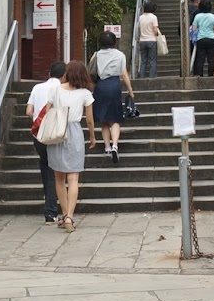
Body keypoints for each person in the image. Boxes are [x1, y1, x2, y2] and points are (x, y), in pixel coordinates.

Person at [46, 60, 97, 231]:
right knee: (73, 178)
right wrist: (92, 137)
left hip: (57, 132)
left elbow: (47, 111)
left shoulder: (55, 90)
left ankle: (64, 213)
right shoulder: (85, 94)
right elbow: (89, 120)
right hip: (75, 132)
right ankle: (69, 216)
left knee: (59, 177)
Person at [25, 61, 67, 224]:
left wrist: (38, 119)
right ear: (64, 76)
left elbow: (28, 111)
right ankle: (50, 211)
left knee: (44, 166)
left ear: (49, 74)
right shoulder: (62, 89)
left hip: (38, 135)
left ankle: (48, 199)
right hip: (54, 134)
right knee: (53, 173)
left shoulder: (37, 88)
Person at [90, 31, 135, 163]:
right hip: (114, 85)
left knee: (104, 120)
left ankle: (107, 147)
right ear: (114, 42)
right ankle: (115, 145)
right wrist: (130, 90)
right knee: (115, 119)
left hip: (101, 86)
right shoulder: (120, 55)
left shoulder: (96, 55)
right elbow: (124, 74)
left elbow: (91, 72)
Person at [189, 0, 214, 78]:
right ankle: (211, 75)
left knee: (200, 59)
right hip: (212, 39)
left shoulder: (198, 16)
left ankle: (199, 75)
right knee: (211, 59)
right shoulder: (213, 17)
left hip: (201, 39)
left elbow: (194, 28)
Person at [135, 2, 161, 79]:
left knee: (143, 60)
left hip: (142, 40)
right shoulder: (153, 17)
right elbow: (155, 30)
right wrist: (157, 34)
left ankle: (142, 77)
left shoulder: (141, 17)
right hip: (152, 40)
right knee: (152, 60)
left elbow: (139, 29)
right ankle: (151, 77)